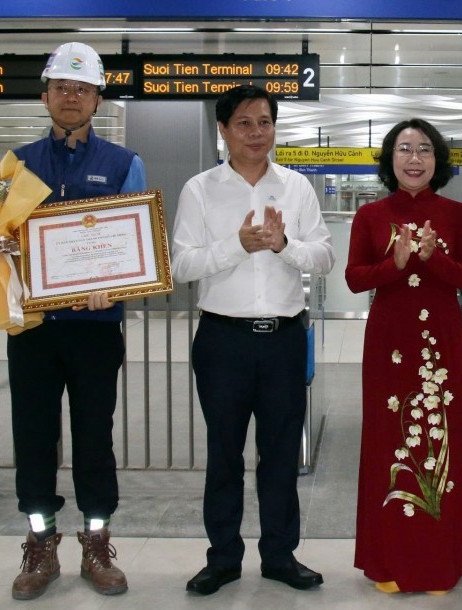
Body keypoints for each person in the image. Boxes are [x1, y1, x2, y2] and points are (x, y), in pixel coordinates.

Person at [172, 85, 334, 596]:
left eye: (264, 122)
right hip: (223, 340)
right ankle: (221, 559)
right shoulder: (200, 190)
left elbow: (325, 257)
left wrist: (284, 246)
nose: (255, 133)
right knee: (224, 453)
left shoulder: (297, 189)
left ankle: (280, 556)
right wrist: (233, 247)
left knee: (281, 454)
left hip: (284, 339)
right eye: (243, 123)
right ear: (223, 130)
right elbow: (180, 266)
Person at [7, 42, 146, 601]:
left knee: (95, 434)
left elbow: (138, 246)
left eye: (82, 88)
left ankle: (96, 542)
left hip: (95, 329)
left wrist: (117, 283)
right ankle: (40, 545)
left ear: (97, 98)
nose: (71, 97)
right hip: (33, 329)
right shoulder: (16, 164)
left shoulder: (122, 163)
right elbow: (2, 239)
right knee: (33, 435)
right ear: (46, 96)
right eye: (62, 88)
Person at [347, 119, 462, 593]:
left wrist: (432, 258)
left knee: (442, 440)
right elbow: (355, 278)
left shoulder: (457, 214)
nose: (414, 158)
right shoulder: (370, 215)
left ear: (438, 160)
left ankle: (439, 561)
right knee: (390, 440)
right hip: (388, 342)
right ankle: (387, 561)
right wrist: (397, 264)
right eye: (404, 149)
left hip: (441, 345)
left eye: (424, 149)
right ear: (390, 159)